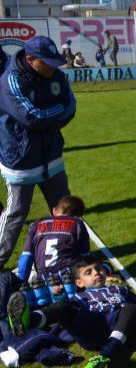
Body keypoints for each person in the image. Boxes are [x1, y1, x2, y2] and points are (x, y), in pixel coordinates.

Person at [6, 255, 136, 368]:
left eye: (98, 269)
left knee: (131, 308)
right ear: (79, 282)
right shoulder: (77, 296)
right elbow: (66, 314)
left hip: (116, 325)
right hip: (91, 329)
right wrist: (59, 296)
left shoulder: (120, 290)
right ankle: (28, 320)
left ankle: (103, 357)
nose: (96, 272)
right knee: (64, 307)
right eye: (88, 272)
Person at [0, 36, 76, 269]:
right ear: (31, 59)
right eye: (47, 62)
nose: (53, 67)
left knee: (65, 207)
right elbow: (30, 117)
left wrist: (46, 117)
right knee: (16, 213)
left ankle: (71, 254)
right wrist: (52, 114)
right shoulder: (10, 79)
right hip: (20, 159)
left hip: (51, 155)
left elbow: (71, 106)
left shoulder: (57, 76)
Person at [14, 195, 90, 307]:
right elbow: (86, 258)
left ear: (54, 210)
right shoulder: (77, 223)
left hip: (42, 283)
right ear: (79, 215)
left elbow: (26, 258)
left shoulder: (37, 223)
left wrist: (19, 285)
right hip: (69, 281)